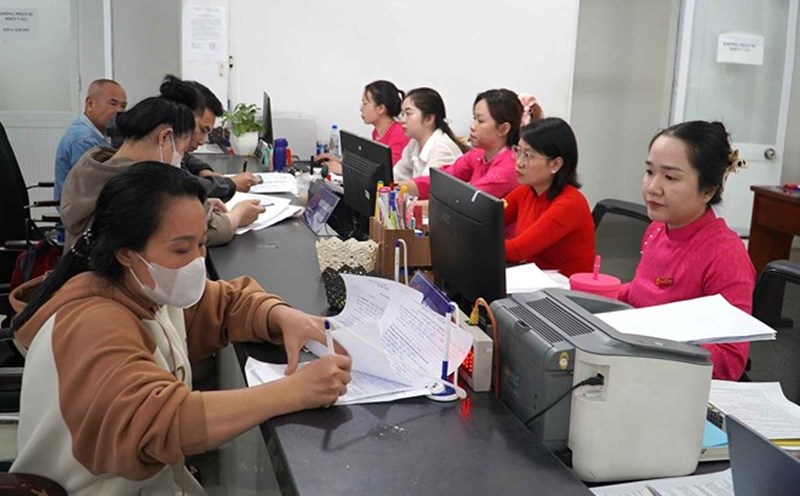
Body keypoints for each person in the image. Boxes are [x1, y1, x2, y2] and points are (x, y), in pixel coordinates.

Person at [10, 163, 352, 495]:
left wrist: (280, 316)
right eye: (181, 248)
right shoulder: (91, 322)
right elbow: (164, 423)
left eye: (202, 244)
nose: (196, 261)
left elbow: (226, 303)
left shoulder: (147, 288)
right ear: (127, 253)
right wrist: (294, 392)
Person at [619, 120, 754, 381]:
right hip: (641, 364)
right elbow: (640, 292)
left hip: (681, 384)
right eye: (649, 172)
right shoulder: (658, 230)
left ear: (708, 190)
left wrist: (656, 336)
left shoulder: (725, 255)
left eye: (670, 177)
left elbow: (730, 362)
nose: (652, 188)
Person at [60, 82, 263, 250]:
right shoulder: (140, 184)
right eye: (181, 150)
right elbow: (202, 230)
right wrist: (237, 215)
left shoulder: (95, 164)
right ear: (165, 137)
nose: (180, 158)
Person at [400, 88, 525, 206]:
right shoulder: (478, 154)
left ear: (503, 129)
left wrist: (409, 206)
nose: (472, 126)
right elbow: (442, 179)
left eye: (480, 121)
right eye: (474, 118)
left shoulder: (509, 166)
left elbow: (466, 202)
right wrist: (393, 188)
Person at [504, 118, 595, 276]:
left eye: (529, 156)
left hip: (565, 290)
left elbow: (516, 251)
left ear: (555, 164)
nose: (519, 162)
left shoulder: (570, 204)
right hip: (536, 279)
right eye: (518, 151)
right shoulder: (526, 191)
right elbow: (489, 217)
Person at [160, 75, 258, 201]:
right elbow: (184, 185)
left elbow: (185, 158)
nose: (202, 141)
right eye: (202, 130)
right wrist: (230, 184)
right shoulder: (153, 153)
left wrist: (203, 170)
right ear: (183, 117)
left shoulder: (169, 146)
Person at [53, 79, 128, 201]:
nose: (119, 111)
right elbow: (97, 186)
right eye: (113, 104)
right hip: (82, 215)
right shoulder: (83, 139)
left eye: (123, 106)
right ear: (90, 103)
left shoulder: (102, 134)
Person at [315, 80, 410, 172]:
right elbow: (370, 164)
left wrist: (343, 169)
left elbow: (388, 172)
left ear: (381, 108)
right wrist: (340, 160)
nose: (361, 109)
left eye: (365, 104)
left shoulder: (399, 133)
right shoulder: (376, 133)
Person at [392, 87, 468, 181]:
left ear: (429, 119)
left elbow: (425, 188)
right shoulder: (414, 143)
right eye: (402, 114)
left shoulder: (441, 150)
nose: (403, 120)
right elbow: (396, 176)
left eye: (408, 113)